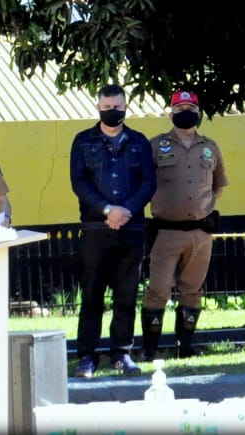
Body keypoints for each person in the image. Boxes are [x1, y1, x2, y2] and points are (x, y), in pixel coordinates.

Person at [69, 83, 157, 378]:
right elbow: (79, 183)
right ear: (98, 107)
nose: (112, 111)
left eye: (117, 107)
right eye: (107, 107)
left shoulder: (139, 142)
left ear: (125, 106)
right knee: (92, 294)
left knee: (126, 294)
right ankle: (87, 356)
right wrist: (108, 210)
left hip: (131, 228)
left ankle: (121, 353)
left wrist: (126, 210)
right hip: (96, 228)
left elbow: (148, 182)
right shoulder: (83, 141)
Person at [141, 89, 228, 359]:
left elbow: (218, 186)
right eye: (180, 109)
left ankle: (186, 347)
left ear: (199, 113)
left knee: (192, 290)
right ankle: (150, 349)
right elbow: (143, 182)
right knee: (158, 290)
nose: (185, 113)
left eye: (190, 109)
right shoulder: (156, 146)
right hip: (166, 231)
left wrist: (201, 207)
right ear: (171, 114)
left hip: (200, 233)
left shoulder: (210, 147)